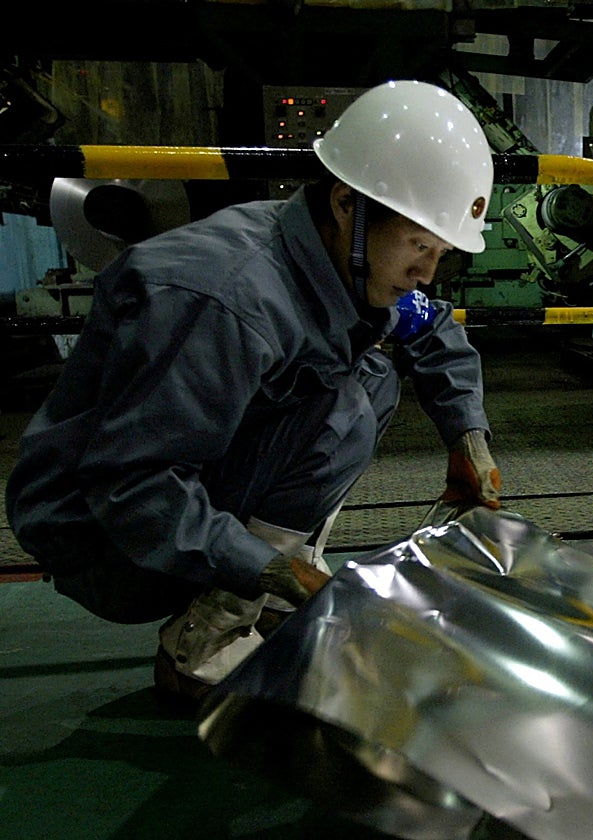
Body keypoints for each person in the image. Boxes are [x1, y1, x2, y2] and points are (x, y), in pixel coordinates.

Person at [4, 80, 502, 702]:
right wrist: (267, 568)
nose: (426, 272)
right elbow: (132, 483)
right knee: (346, 406)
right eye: (419, 245)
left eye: (441, 252)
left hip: (147, 499)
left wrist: (467, 437)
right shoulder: (226, 299)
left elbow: (430, 327)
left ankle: (259, 589)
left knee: (368, 382)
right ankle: (206, 638)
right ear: (347, 204)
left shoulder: (337, 261)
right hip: (101, 536)